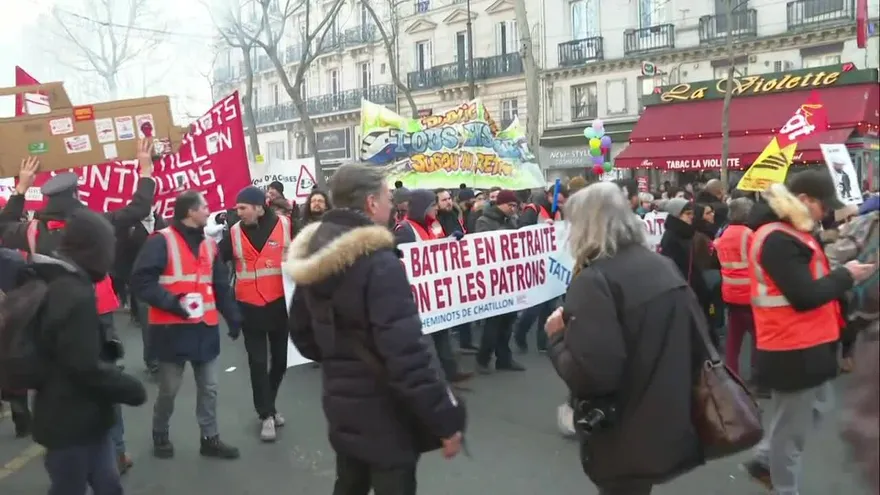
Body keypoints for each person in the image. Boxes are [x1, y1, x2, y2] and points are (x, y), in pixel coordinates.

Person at [284, 163, 464, 494]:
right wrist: (445, 419)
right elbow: (408, 353)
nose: (392, 203)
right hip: (387, 414)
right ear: (370, 203)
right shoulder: (379, 263)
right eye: (386, 195)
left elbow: (302, 333)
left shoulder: (316, 252)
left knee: (349, 482)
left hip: (342, 405)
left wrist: (340, 359)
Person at [1, 143, 156, 472]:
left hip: (47, 313)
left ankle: (65, 451)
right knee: (103, 377)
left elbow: (2, 227)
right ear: (76, 195)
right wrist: (145, 170)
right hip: (94, 311)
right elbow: (137, 209)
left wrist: (21, 187)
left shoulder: (31, 229)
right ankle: (115, 451)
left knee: (57, 378)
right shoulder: (91, 223)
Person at [544, 182, 703, 495]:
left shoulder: (596, 280)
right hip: (666, 414)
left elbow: (591, 375)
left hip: (623, 424)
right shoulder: (662, 266)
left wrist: (557, 338)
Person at [741, 170, 876, 495]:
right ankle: (783, 485)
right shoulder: (777, 238)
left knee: (815, 407)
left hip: (808, 342)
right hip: (791, 347)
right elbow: (804, 295)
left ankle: (763, 459)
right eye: (823, 207)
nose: (827, 213)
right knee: (792, 434)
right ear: (803, 200)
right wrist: (846, 276)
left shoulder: (793, 233)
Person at [30, 209, 147, 494]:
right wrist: (129, 388)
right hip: (71, 420)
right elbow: (83, 366)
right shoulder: (75, 294)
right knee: (71, 487)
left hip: (83, 418)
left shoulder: (61, 282)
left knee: (107, 483)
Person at [130, 191, 242, 460]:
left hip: (204, 328)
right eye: (204, 207)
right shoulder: (160, 241)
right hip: (172, 329)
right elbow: (141, 281)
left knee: (210, 388)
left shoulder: (209, 245)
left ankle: (209, 438)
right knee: (169, 390)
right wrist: (173, 302)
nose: (208, 211)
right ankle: (160, 434)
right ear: (190, 212)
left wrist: (233, 316)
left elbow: (219, 286)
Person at [220, 186, 292, 442]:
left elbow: (300, 255)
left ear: (259, 207)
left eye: (243, 208)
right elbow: (217, 261)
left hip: (280, 306)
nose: (238, 213)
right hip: (249, 308)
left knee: (281, 362)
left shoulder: (285, 224)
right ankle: (266, 415)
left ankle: (268, 404)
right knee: (258, 363)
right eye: (237, 208)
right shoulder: (233, 233)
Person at [513, 184, 569, 354]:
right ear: (548, 196)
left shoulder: (560, 212)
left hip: (553, 265)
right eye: (557, 201)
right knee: (535, 306)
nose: (559, 205)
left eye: (562, 202)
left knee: (549, 306)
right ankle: (520, 332)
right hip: (535, 265)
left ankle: (543, 342)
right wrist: (541, 229)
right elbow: (521, 233)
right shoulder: (533, 210)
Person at [474, 189, 525, 373]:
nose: (513, 209)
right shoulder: (484, 221)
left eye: (515, 206)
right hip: (493, 278)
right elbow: (483, 246)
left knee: (508, 322)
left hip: (510, 277)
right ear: (500, 204)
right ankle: (483, 359)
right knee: (493, 322)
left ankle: (504, 359)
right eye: (510, 205)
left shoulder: (511, 220)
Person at [116, 211, 166, 375]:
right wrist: (128, 279)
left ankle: (164, 355)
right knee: (148, 322)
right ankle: (152, 360)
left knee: (163, 322)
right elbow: (121, 255)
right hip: (140, 282)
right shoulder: (129, 226)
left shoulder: (163, 222)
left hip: (163, 280)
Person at [659, 198, 715, 343]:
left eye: (691, 213)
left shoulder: (685, 235)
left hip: (692, 291)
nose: (692, 216)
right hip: (684, 293)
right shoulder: (672, 238)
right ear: (677, 215)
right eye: (687, 214)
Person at [715, 198, 757, 378]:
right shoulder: (748, 234)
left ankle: (732, 374)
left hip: (729, 292)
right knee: (758, 337)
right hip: (748, 293)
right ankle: (759, 376)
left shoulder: (723, 234)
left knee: (734, 337)